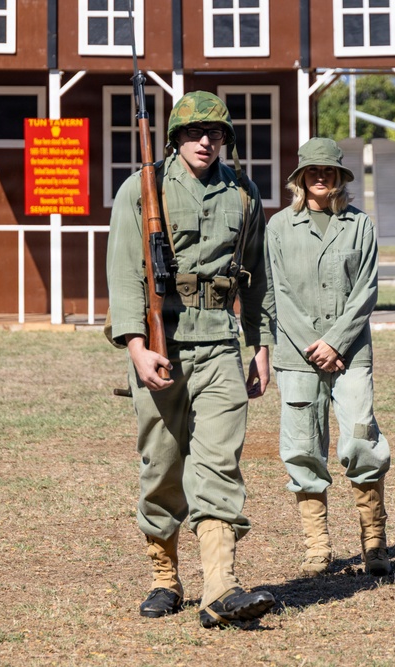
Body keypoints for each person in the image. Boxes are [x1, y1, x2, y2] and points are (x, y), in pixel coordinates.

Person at [106, 90, 276, 627]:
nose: (206, 141)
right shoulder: (141, 188)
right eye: (195, 132)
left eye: (217, 133)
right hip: (162, 347)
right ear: (177, 137)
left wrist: (261, 346)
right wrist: (136, 345)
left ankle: (220, 588)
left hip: (221, 344)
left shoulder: (244, 194)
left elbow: (257, 277)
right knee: (162, 465)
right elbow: (123, 274)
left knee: (218, 462)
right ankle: (164, 576)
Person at [265, 137, 392, 578]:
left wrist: (335, 343)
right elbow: (277, 292)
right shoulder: (279, 227)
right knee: (302, 449)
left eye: (330, 171)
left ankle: (374, 541)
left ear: (340, 177)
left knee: (361, 438)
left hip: (351, 352)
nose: (321, 177)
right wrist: (314, 347)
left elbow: (367, 290)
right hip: (297, 356)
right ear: (300, 178)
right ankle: (317, 547)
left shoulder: (360, 226)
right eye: (313, 171)